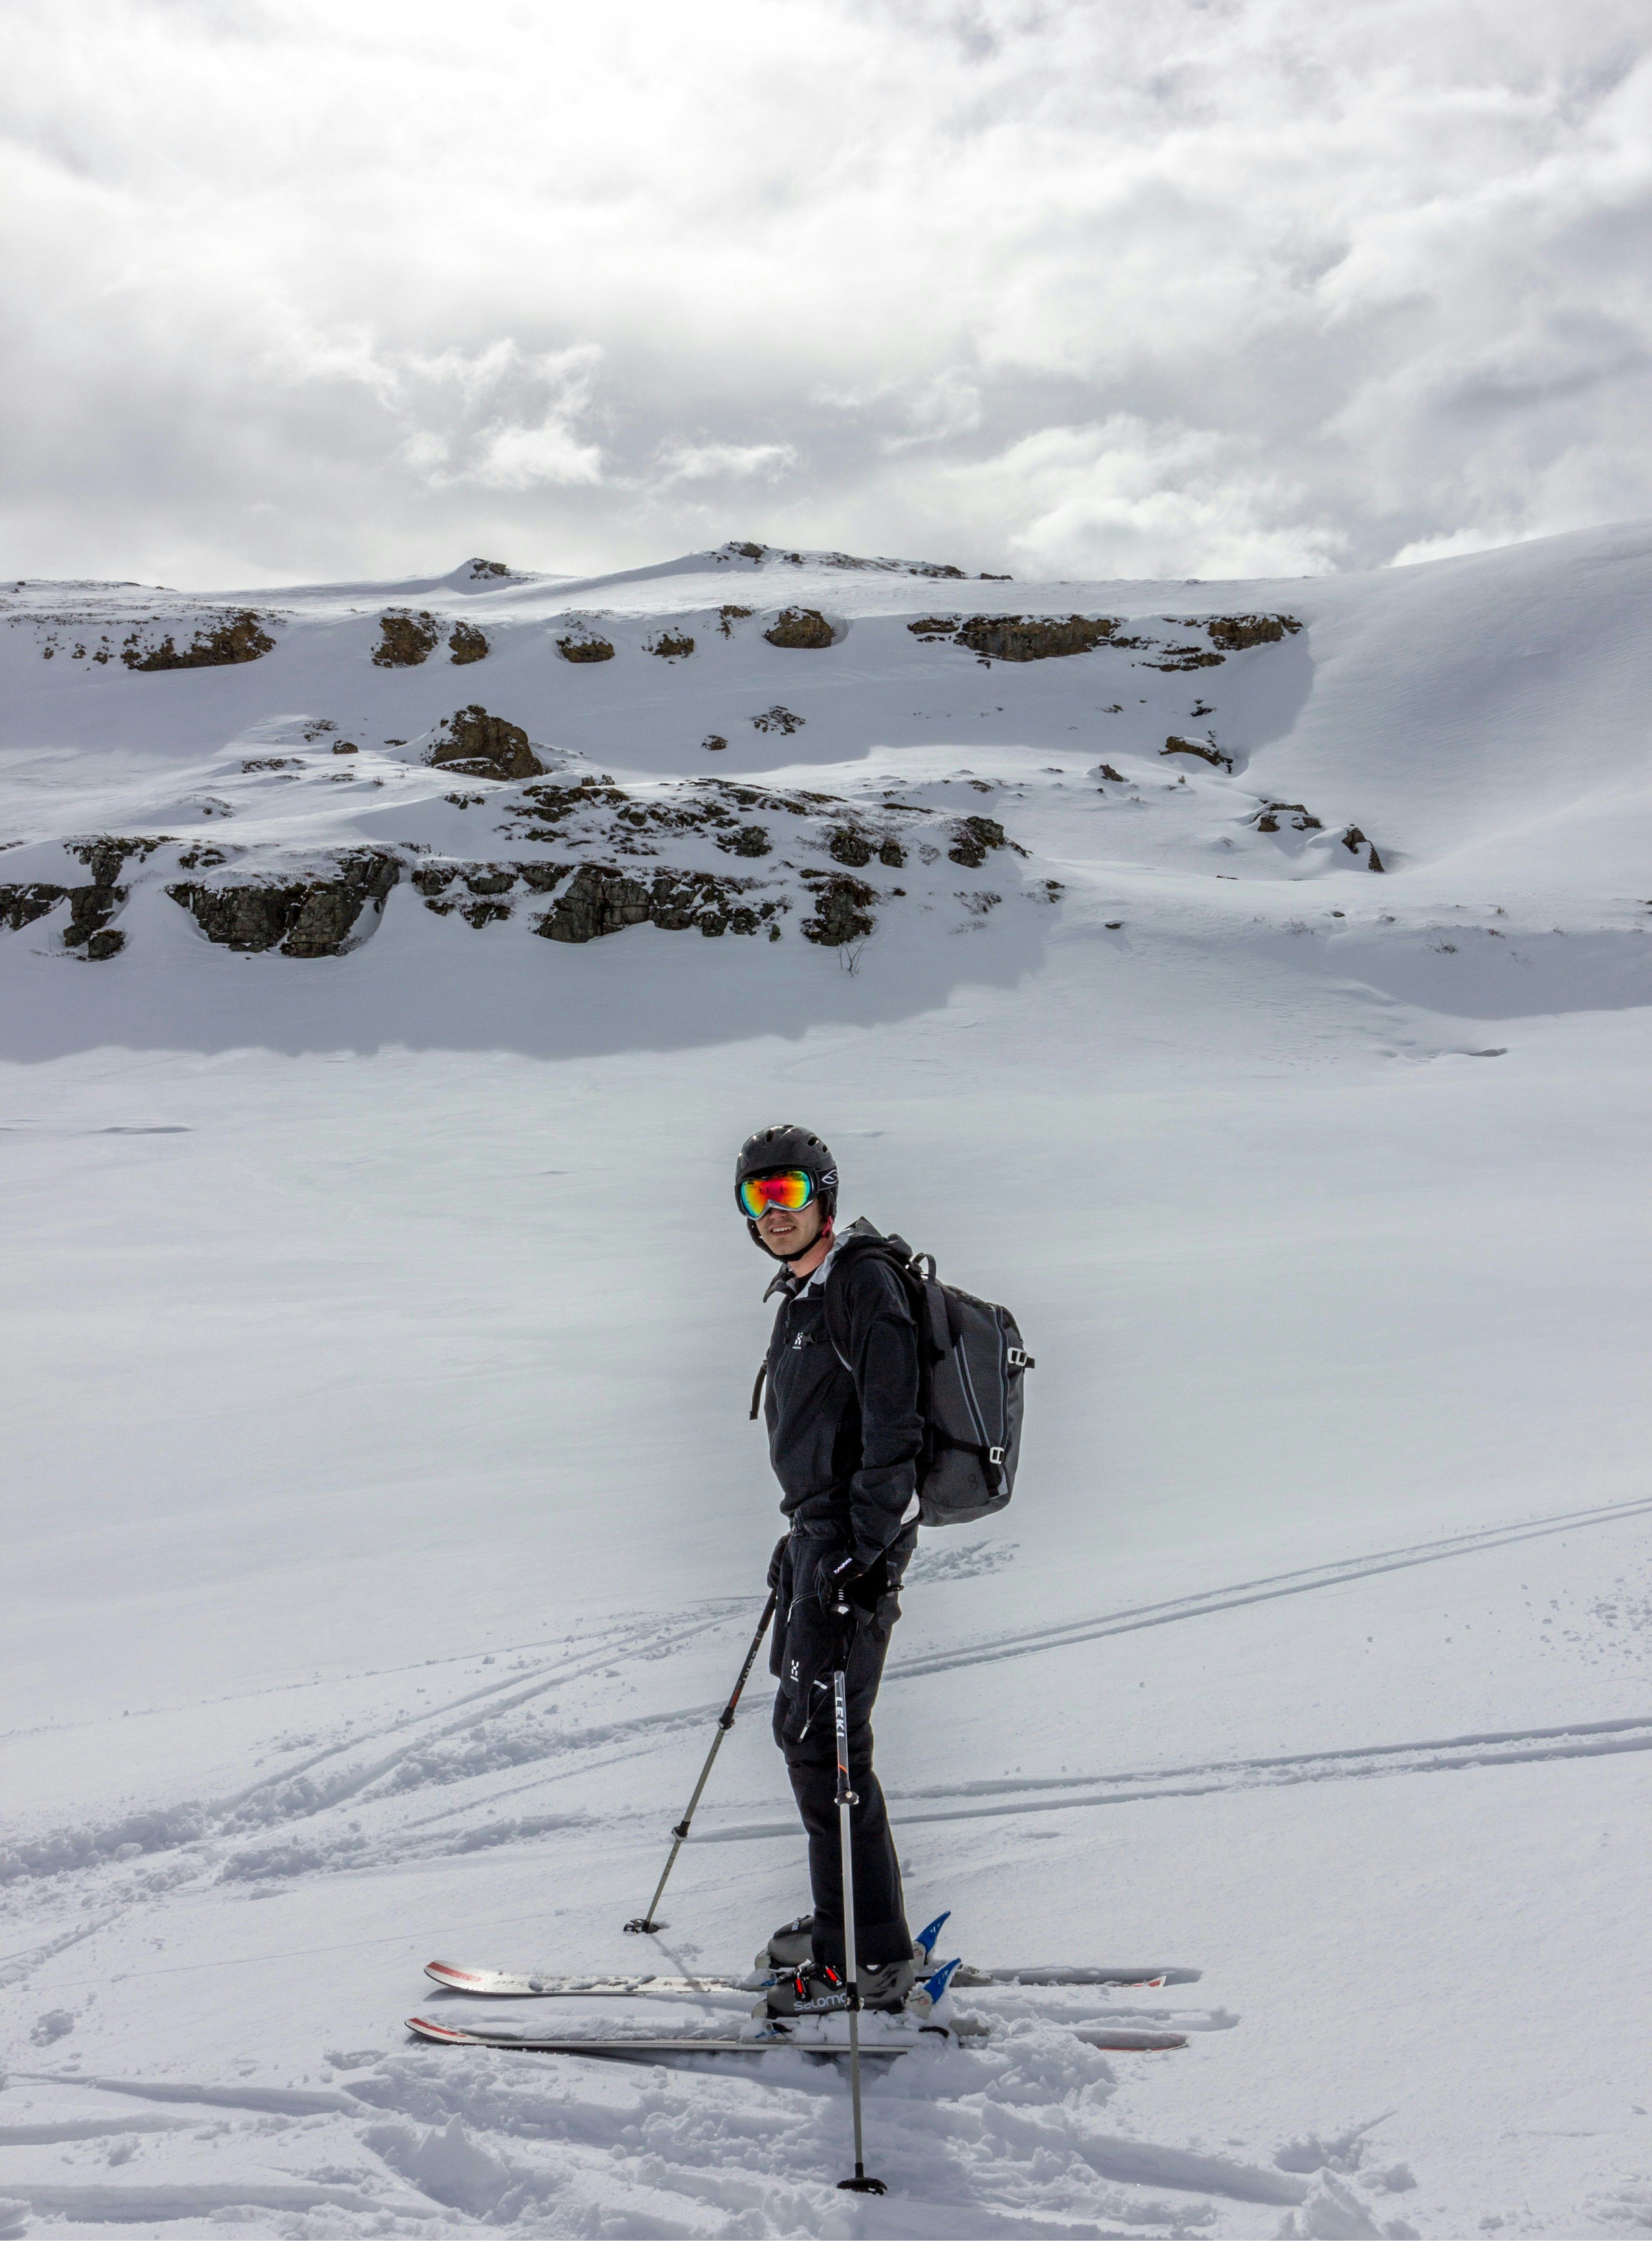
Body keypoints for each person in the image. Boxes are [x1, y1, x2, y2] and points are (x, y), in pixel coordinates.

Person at [734, 1122, 924, 2017]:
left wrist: (859, 1541)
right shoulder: (803, 1295)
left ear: (824, 1196)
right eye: (756, 1197)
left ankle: (869, 1958)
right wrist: (803, 1536)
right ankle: (844, 1923)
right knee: (807, 1737)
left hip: (855, 1551)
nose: (773, 1213)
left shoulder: (863, 1283)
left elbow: (896, 1428)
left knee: (831, 1749)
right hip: (819, 1541)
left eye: (787, 1193)